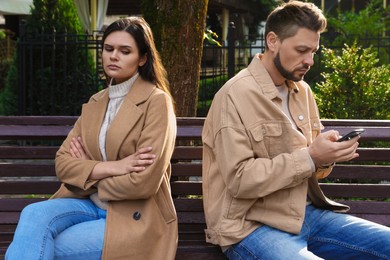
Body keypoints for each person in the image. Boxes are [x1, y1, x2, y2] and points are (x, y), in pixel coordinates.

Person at [201, 1, 390, 259]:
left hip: (305, 213)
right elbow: (240, 180)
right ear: (272, 41)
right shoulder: (233, 95)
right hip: (251, 225)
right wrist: (311, 157)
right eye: (302, 50)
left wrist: (326, 156)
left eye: (313, 51)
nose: (310, 60)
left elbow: (312, 168)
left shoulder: (302, 91)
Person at [6, 16, 178, 260]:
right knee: (33, 215)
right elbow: (63, 163)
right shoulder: (96, 102)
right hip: (87, 204)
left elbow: (143, 182)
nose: (113, 56)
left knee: (40, 244)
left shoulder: (156, 102)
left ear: (142, 58)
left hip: (135, 217)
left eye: (124, 51)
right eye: (108, 49)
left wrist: (89, 173)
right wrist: (114, 167)